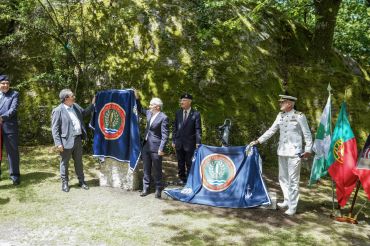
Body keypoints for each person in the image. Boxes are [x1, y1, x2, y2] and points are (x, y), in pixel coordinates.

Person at [250, 94, 312, 216]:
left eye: (282, 102)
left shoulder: (299, 116)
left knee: (293, 180)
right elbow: (271, 130)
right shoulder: (280, 116)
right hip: (282, 151)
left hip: (295, 153)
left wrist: (308, 149)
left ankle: (293, 207)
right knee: (282, 177)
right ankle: (287, 200)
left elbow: (307, 133)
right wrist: (258, 141)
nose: (280, 104)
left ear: (289, 103)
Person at [51, 89, 95, 192]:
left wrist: (93, 104)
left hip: (78, 140)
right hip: (65, 142)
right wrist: (58, 144)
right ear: (66, 98)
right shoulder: (58, 110)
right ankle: (65, 183)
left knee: (79, 162)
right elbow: (55, 129)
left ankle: (82, 181)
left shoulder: (75, 106)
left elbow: (84, 113)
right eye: (72, 95)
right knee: (64, 163)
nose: (74, 97)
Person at [136, 94, 169, 198]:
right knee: (146, 168)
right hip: (146, 146)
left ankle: (158, 188)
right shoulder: (149, 114)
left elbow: (165, 135)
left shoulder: (164, 117)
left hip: (156, 147)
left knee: (157, 169)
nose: (149, 106)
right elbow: (140, 109)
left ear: (157, 107)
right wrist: (137, 98)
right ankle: (146, 188)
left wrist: (161, 148)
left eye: (151, 105)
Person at [172, 93, 202, 185]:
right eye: (181, 100)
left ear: (189, 102)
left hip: (190, 143)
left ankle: (190, 180)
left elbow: (198, 129)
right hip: (179, 142)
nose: (182, 102)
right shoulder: (178, 112)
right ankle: (182, 179)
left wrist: (198, 142)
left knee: (189, 162)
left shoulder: (196, 114)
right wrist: (173, 140)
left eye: (184, 100)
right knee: (180, 162)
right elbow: (175, 128)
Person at [0, 75, 20, 185]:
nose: (5, 85)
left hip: (9, 127)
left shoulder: (14, 94)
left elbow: (13, 109)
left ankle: (15, 175)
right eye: (3, 83)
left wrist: (2, 118)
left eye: (7, 83)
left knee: (12, 152)